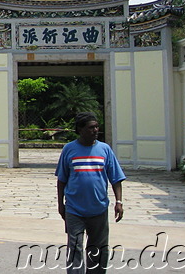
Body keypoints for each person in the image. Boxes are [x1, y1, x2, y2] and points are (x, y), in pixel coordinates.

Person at [56, 112, 125, 274]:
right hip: (74, 210)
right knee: (75, 247)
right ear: (79, 129)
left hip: (99, 209)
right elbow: (61, 180)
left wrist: (119, 202)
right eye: (90, 127)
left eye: (96, 127)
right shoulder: (69, 149)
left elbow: (116, 178)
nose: (95, 130)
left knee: (98, 249)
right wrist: (61, 205)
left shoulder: (104, 149)